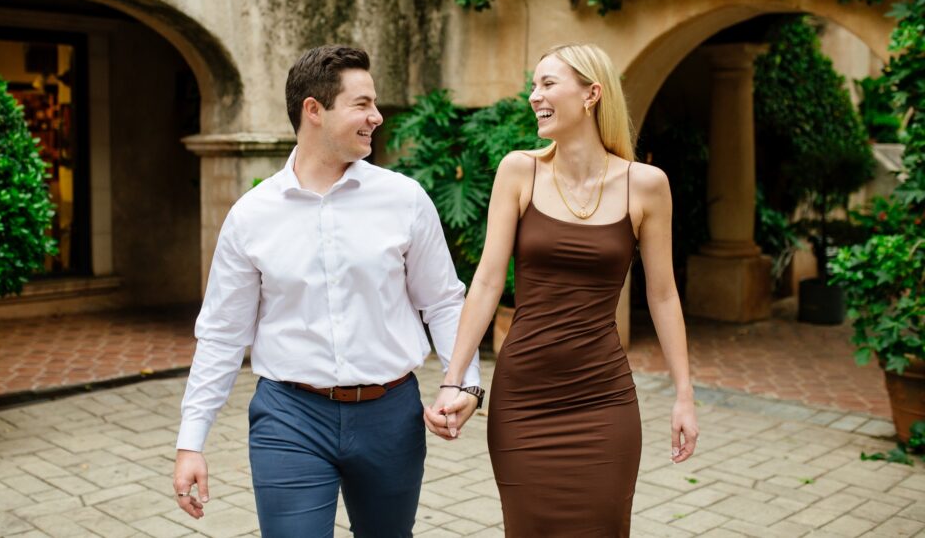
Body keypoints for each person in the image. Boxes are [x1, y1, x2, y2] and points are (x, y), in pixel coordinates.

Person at [172, 45, 481, 538]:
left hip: (391, 415)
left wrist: (463, 380)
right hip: (289, 418)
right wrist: (192, 441)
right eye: (362, 104)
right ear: (313, 109)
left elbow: (442, 300)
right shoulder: (251, 216)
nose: (376, 117)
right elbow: (222, 335)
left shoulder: (404, 199)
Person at [425, 44, 699, 536]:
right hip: (523, 400)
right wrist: (454, 379)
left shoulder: (647, 185)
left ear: (592, 94)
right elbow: (487, 281)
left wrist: (684, 395)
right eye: (534, 85)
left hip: (603, 400)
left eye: (548, 84)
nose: (534, 96)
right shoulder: (518, 171)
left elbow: (662, 295)